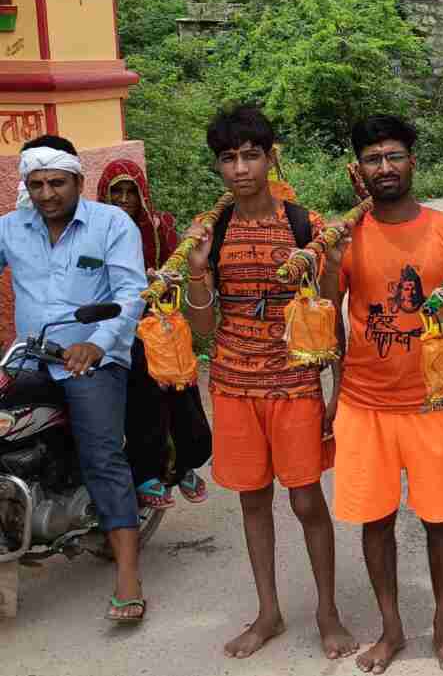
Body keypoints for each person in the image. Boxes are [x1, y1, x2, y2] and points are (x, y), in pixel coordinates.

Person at [180, 105, 357, 661]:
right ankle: (269, 613)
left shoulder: (303, 223)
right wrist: (198, 269)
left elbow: (329, 308)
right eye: (228, 158)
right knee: (253, 503)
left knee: (306, 501)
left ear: (270, 156)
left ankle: (328, 612)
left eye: (250, 155)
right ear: (218, 167)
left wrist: (335, 389)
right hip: (233, 385)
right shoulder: (215, 230)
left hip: (294, 384)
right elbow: (204, 329)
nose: (239, 168)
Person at [318, 115, 443, 674]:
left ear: (413, 161)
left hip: (436, 403)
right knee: (376, 520)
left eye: (394, 155)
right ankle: (391, 630)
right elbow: (326, 317)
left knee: (439, 519)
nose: (384, 167)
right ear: (358, 170)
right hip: (365, 406)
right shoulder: (347, 237)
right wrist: (334, 394)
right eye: (372, 158)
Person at [0, 135, 148, 621]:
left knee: (101, 453)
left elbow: (130, 293)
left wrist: (97, 343)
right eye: (36, 184)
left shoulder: (111, 224)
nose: (46, 194)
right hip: (29, 355)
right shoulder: (11, 228)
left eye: (56, 183)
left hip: (93, 357)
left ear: (79, 181)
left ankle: (127, 575)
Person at [97, 159, 210, 509]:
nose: (124, 199)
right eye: (117, 192)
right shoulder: (93, 232)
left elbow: (176, 265)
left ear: (142, 194)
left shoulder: (160, 227)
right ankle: (147, 472)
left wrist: (165, 279)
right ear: (105, 194)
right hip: (118, 328)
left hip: (160, 324)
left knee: (180, 390)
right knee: (143, 400)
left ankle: (186, 465)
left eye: (131, 191)